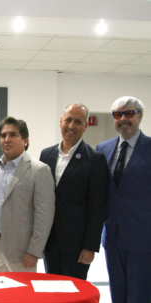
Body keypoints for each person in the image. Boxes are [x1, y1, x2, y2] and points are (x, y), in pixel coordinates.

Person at [97, 96, 151, 303]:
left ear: (140, 116)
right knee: (118, 293)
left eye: (129, 113)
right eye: (118, 114)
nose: (123, 119)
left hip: (143, 237)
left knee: (139, 296)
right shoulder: (103, 149)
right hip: (113, 235)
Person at [40, 103, 108, 280]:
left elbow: (97, 207)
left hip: (78, 245)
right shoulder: (46, 155)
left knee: (74, 292)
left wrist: (90, 246)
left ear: (86, 126)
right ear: (61, 121)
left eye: (78, 122)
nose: (71, 126)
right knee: (51, 289)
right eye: (68, 120)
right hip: (50, 240)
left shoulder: (95, 160)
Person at [0, 116, 55, 271]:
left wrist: (34, 251)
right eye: (3, 135)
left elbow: (44, 216)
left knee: (21, 294)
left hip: (23, 251)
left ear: (25, 140)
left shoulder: (39, 170)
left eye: (13, 135)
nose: (7, 139)